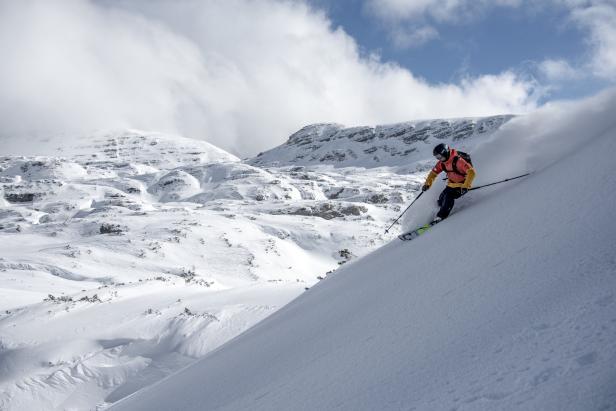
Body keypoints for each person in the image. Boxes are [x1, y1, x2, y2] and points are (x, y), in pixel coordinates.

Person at [421, 143, 476, 222]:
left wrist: (466, 186)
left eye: (440, 156)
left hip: (462, 185)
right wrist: (427, 184)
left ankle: (441, 216)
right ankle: (440, 210)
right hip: (451, 184)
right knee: (441, 199)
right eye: (437, 157)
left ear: (445, 152)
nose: (439, 159)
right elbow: (433, 173)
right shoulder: (442, 163)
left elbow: (471, 172)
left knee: (448, 197)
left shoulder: (458, 161)